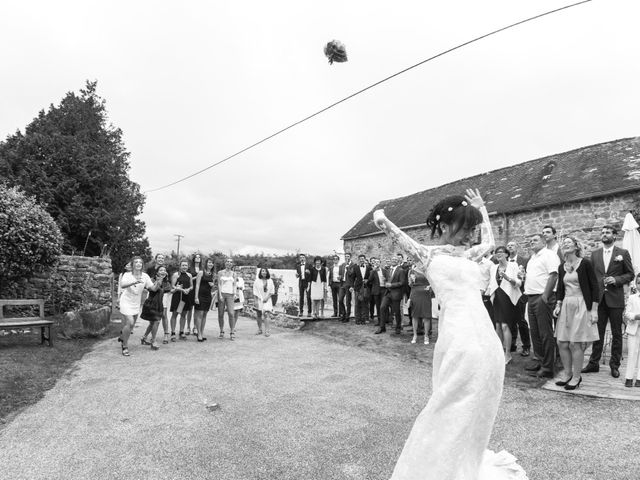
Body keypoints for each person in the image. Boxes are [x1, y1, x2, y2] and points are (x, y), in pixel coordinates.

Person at [373, 188, 527, 479]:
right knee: (452, 400)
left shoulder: (471, 254)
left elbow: (492, 243)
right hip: (459, 334)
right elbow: (397, 235)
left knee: (482, 395)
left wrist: (483, 210)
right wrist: (381, 217)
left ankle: (466, 459)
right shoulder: (428, 255)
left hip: (484, 332)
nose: (471, 236)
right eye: (466, 229)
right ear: (444, 226)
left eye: (473, 229)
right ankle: (440, 466)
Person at [582, 225, 635, 378]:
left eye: (608, 232)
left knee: (617, 333)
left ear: (614, 236)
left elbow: (630, 274)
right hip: (598, 299)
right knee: (597, 332)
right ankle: (593, 363)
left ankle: (614, 365)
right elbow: (591, 277)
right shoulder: (595, 254)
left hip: (615, 299)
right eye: (603, 232)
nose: (604, 234)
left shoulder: (623, 254)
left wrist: (617, 279)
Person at [552, 237, 599, 390]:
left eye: (568, 242)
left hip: (582, 305)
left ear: (576, 246)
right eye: (563, 243)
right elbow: (560, 289)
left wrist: (594, 310)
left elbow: (594, 287)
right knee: (562, 342)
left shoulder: (585, 263)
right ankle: (567, 374)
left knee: (575, 342)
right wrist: (558, 305)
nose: (565, 244)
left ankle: (577, 377)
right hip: (566, 305)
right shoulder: (561, 267)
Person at [118, 256, 160, 356]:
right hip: (126, 301)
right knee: (130, 322)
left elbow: (153, 289)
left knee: (131, 326)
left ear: (142, 265)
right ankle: (125, 346)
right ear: (132, 264)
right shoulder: (127, 275)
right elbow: (122, 285)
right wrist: (134, 282)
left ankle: (123, 336)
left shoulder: (145, 276)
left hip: (136, 303)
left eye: (140, 262)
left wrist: (159, 281)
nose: (138, 264)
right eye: (136, 262)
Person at [487, 246, 522, 364]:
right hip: (496, 297)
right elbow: (491, 282)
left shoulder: (513, 266)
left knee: (505, 326)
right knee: (497, 326)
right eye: (497, 252)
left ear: (507, 254)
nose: (498, 254)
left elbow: (518, 283)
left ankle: (508, 354)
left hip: (508, 298)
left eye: (501, 252)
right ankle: (499, 352)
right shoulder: (493, 267)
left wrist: (508, 278)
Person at [507, 241, 531, 356]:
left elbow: (527, 277)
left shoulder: (524, 261)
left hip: (521, 293)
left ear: (517, 248)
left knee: (521, 321)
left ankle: (526, 346)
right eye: (508, 245)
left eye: (512, 245)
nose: (510, 247)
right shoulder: (504, 261)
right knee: (510, 320)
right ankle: (512, 344)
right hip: (508, 293)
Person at [140, 265, 171, 350]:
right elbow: (154, 289)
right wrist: (159, 281)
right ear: (157, 272)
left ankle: (144, 337)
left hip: (159, 304)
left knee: (152, 323)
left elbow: (168, 291)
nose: (163, 271)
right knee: (156, 322)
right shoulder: (152, 280)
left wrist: (178, 289)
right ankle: (153, 341)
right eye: (161, 270)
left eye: (164, 270)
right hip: (151, 304)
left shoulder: (166, 282)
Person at [379, 255, 407, 334]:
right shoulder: (388, 270)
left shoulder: (401, 270)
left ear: (398, 261)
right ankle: (382, 327)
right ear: (391, 261)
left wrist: (391, 285)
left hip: (396, 294)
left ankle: (398, 327)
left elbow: (402, 283)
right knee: (382, 307)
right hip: (387, 293)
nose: (394, 260)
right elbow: (387, 281)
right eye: (392, 259)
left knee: (396, 311)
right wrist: (385, 282)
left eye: (395, 259)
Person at [169, 259, 193, 341]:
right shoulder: (176, 275)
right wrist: (181, 289)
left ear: (188, 266)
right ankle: (172, 332)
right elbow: (173, 286)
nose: (184, 267)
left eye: (186, 265)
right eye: (183, 265)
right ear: (180, 266)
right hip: (177, 297)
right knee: (175, 314)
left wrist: (188, 289)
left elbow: (191, 286)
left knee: (183, 315)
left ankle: (181, 332)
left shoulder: (189, 275)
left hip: (186, 297)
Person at [408, 265, 432, 344]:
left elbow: (434, 282)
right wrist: (411, 280)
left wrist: (430, 287)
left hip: (426, 294)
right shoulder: (412, 270)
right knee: (415, 315)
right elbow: (410, 285)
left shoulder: (428, 269)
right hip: (415, 293)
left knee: (426, 316)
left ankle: (426, 336)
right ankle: (415, 335)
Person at [623, 274, 640, 387]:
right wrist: (636, 316)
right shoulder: (632, 298)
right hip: (634, 328)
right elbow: (627, 313)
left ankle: (639, 378)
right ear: (636, 284)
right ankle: (629, 377)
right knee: (632, 353)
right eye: (639, 283)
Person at [193, 258, 215, 342]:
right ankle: (198, 334)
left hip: (208, 296)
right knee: (200, 314)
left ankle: (201, 333)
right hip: (200, 296)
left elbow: (213, 286)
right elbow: (197, 285)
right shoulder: (201, 272)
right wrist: (196, 297)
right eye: (209, 262)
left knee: (205, 315)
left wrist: (212, 285)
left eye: (212, 263)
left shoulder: (212, 274)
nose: (210, 264)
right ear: (206, 263)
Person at [217, 258, 237, 340]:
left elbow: (234, 284)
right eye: (227, 261)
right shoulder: (220, 272)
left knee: (231, 313)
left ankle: (232, 331)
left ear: (232, 264)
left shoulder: (234, 274)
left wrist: (235, 294)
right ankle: (221, 331)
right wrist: (220, 295)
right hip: (222, 294)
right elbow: (218, 284)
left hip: (230, 295)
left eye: (230, 262)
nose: (229, 263)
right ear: (225, 263)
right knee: (220, 314)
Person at [253, 267, 275, 336]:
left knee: (266, 314)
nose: (264, 272)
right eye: (262, 271)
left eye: (265, 271)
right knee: (259, 314)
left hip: (267, 299)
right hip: (259, 299)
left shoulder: (270, 281)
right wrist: (256, 301)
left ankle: (267, 331)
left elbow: (272, 291)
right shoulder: (257, 281)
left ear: (267, 272)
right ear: (260, 272)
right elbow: (255, 291)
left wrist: (267, 298)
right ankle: (260, 329)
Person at [352, 254, 371, 325]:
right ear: (359, 260)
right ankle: (357, 319)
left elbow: (371, 277)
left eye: (363, 259)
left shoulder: (369, 268)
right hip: (358, 288)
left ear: (365, 259)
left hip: (366, 288)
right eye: (360, 259)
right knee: (357, 304)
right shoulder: (355, 267)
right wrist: (352, 286)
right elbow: (352, 278)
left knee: (364, 303)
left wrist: (368, 280)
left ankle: (364, 319)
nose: (361, 260)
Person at [186, 253, 202, 335]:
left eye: (199, 257)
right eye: (196, 257)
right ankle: (188, 327)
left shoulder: (202, 268)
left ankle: (195, 327)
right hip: (191, 290)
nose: (198, 258)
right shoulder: (189, 268)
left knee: (197, 310)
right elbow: (188, 278)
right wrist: (197, 277)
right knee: (190, 310)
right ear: (194, 259)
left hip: (199, 291)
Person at [338, 253, 354, 322]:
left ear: (350, 257)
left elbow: (351, 274)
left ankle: (347, 316)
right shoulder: (342, 265)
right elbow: (341, 274)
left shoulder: (353, 265)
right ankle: (343, 314)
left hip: (349, 284)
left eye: (348, 256)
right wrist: (340, 277)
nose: (347, 257)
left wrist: (348, 268)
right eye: (346, 256)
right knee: (340, 300)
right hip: (342, 284)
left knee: (348, 302)